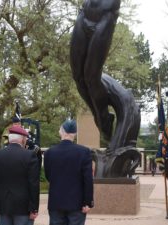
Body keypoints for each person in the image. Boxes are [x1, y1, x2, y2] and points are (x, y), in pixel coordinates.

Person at [70, 0, 121, 140]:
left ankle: (102, 117)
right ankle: (100, 115)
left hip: (105, 17)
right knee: (77, 76)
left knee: (91, 77)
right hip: (85, 14)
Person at [0, 125, 40, 225]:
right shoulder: (30, 156)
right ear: (23, 140)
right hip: (23, 207)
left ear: (10, 139)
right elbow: (34, 184)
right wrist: (34, 209)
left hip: (1, 206)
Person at [44, 119, 94, 225]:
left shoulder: (49, 152)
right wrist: (88, 202)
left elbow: (48, 176)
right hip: (77, 203)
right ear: (75, 133)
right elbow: (88, 179)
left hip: (56, 202)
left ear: (61, 131)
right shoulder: (84, 152)